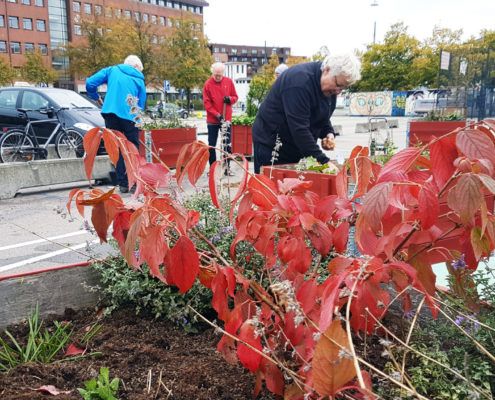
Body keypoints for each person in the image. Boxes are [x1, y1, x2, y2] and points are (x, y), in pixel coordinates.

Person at [252, 53, 361, 174]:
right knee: (270, 188)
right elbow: (299, 128)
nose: (338, 91)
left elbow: (321, 116)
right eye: (338, 85)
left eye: (343, 88)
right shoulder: (299, 82)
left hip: (297, 146)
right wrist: (323, 162)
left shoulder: (329, 90)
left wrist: (328, 133)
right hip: (272, 146)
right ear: (327, 70)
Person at [86, 55, 146, 193]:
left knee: (116, 148)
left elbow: (90, 83)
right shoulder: (139, 79)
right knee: (132, 148)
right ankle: (134, 182)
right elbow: (140, 104)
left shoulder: (112, 70)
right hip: (130, 116)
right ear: (137, 67)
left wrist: (96, 97)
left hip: (110, 113)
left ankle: (123, 183)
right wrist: (139, 122)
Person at [203, 62, 238, 175]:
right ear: (212, 72)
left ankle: (227, 168)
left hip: (226, 119)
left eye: (220, 75)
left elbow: (235, 97)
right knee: (212, 145)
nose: (218, 77)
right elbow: (207, 104)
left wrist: (230, 99)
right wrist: (216, 114)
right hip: (213, 120)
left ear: (223, 73)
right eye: (216, 74)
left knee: (227, 144)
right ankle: (212, 168)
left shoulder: (228, 82)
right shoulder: (208, 84)